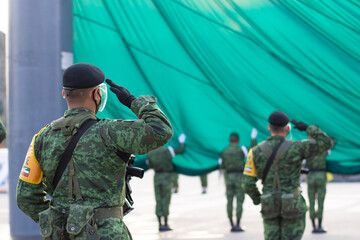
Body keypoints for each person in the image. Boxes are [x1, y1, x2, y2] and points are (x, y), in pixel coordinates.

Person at [16, 63, 173, 239]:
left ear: (64, 94)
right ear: (97, 94)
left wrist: (57, 220)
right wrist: (133, 101)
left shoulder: (41, 138)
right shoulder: (110, 131)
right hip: (107, 234)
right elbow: (160, 129)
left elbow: (25, 196)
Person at [242, 111, 332, 240]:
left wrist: (259, 199)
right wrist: (308, 128)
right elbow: (326, 143)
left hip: (269, 204)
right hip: (293, 204)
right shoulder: (298, 147)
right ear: (288, 128)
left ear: (268, 128)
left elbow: (247, 183)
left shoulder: (255, 152)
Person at [219, 129, 257, 232]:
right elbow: (253, 150)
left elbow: (222, 166)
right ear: (238, 140)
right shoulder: (241, 150)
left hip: (228, 178)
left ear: (230, 140)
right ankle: (238, 224)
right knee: (240, 201)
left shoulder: (224, 151)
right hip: (239, 177)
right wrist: (253, 138)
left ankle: (231, 224)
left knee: (229, 201)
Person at [147, 133, 186, 231]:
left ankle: (160, 224)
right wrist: (182, 142)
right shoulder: (168, 151)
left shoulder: (151, 152)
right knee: (166, 200)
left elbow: (149, 165)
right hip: (167, 177)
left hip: (157, 177)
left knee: (158, 200)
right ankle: (166, 223)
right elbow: (181, 151)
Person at [306, 135, 336, 233]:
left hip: (310, 176)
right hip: (321, 176)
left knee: (311, 201)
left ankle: (313, 226)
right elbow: (333, 141)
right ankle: (319, 225)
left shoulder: (306, 148)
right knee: (320, 202)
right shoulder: (323, 147)